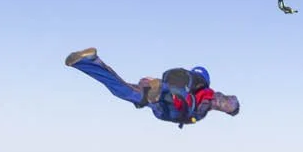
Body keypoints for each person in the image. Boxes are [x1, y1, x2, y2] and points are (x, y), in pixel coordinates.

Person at [64, 48, 239, 125]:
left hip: (160, 105)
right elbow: (229, 104)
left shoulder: (184, 78)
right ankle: (159, 89)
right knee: (179, 101)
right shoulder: (208, 93)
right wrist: (233, 109)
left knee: (124, 89)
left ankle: (88, 62)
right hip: (180, 108)